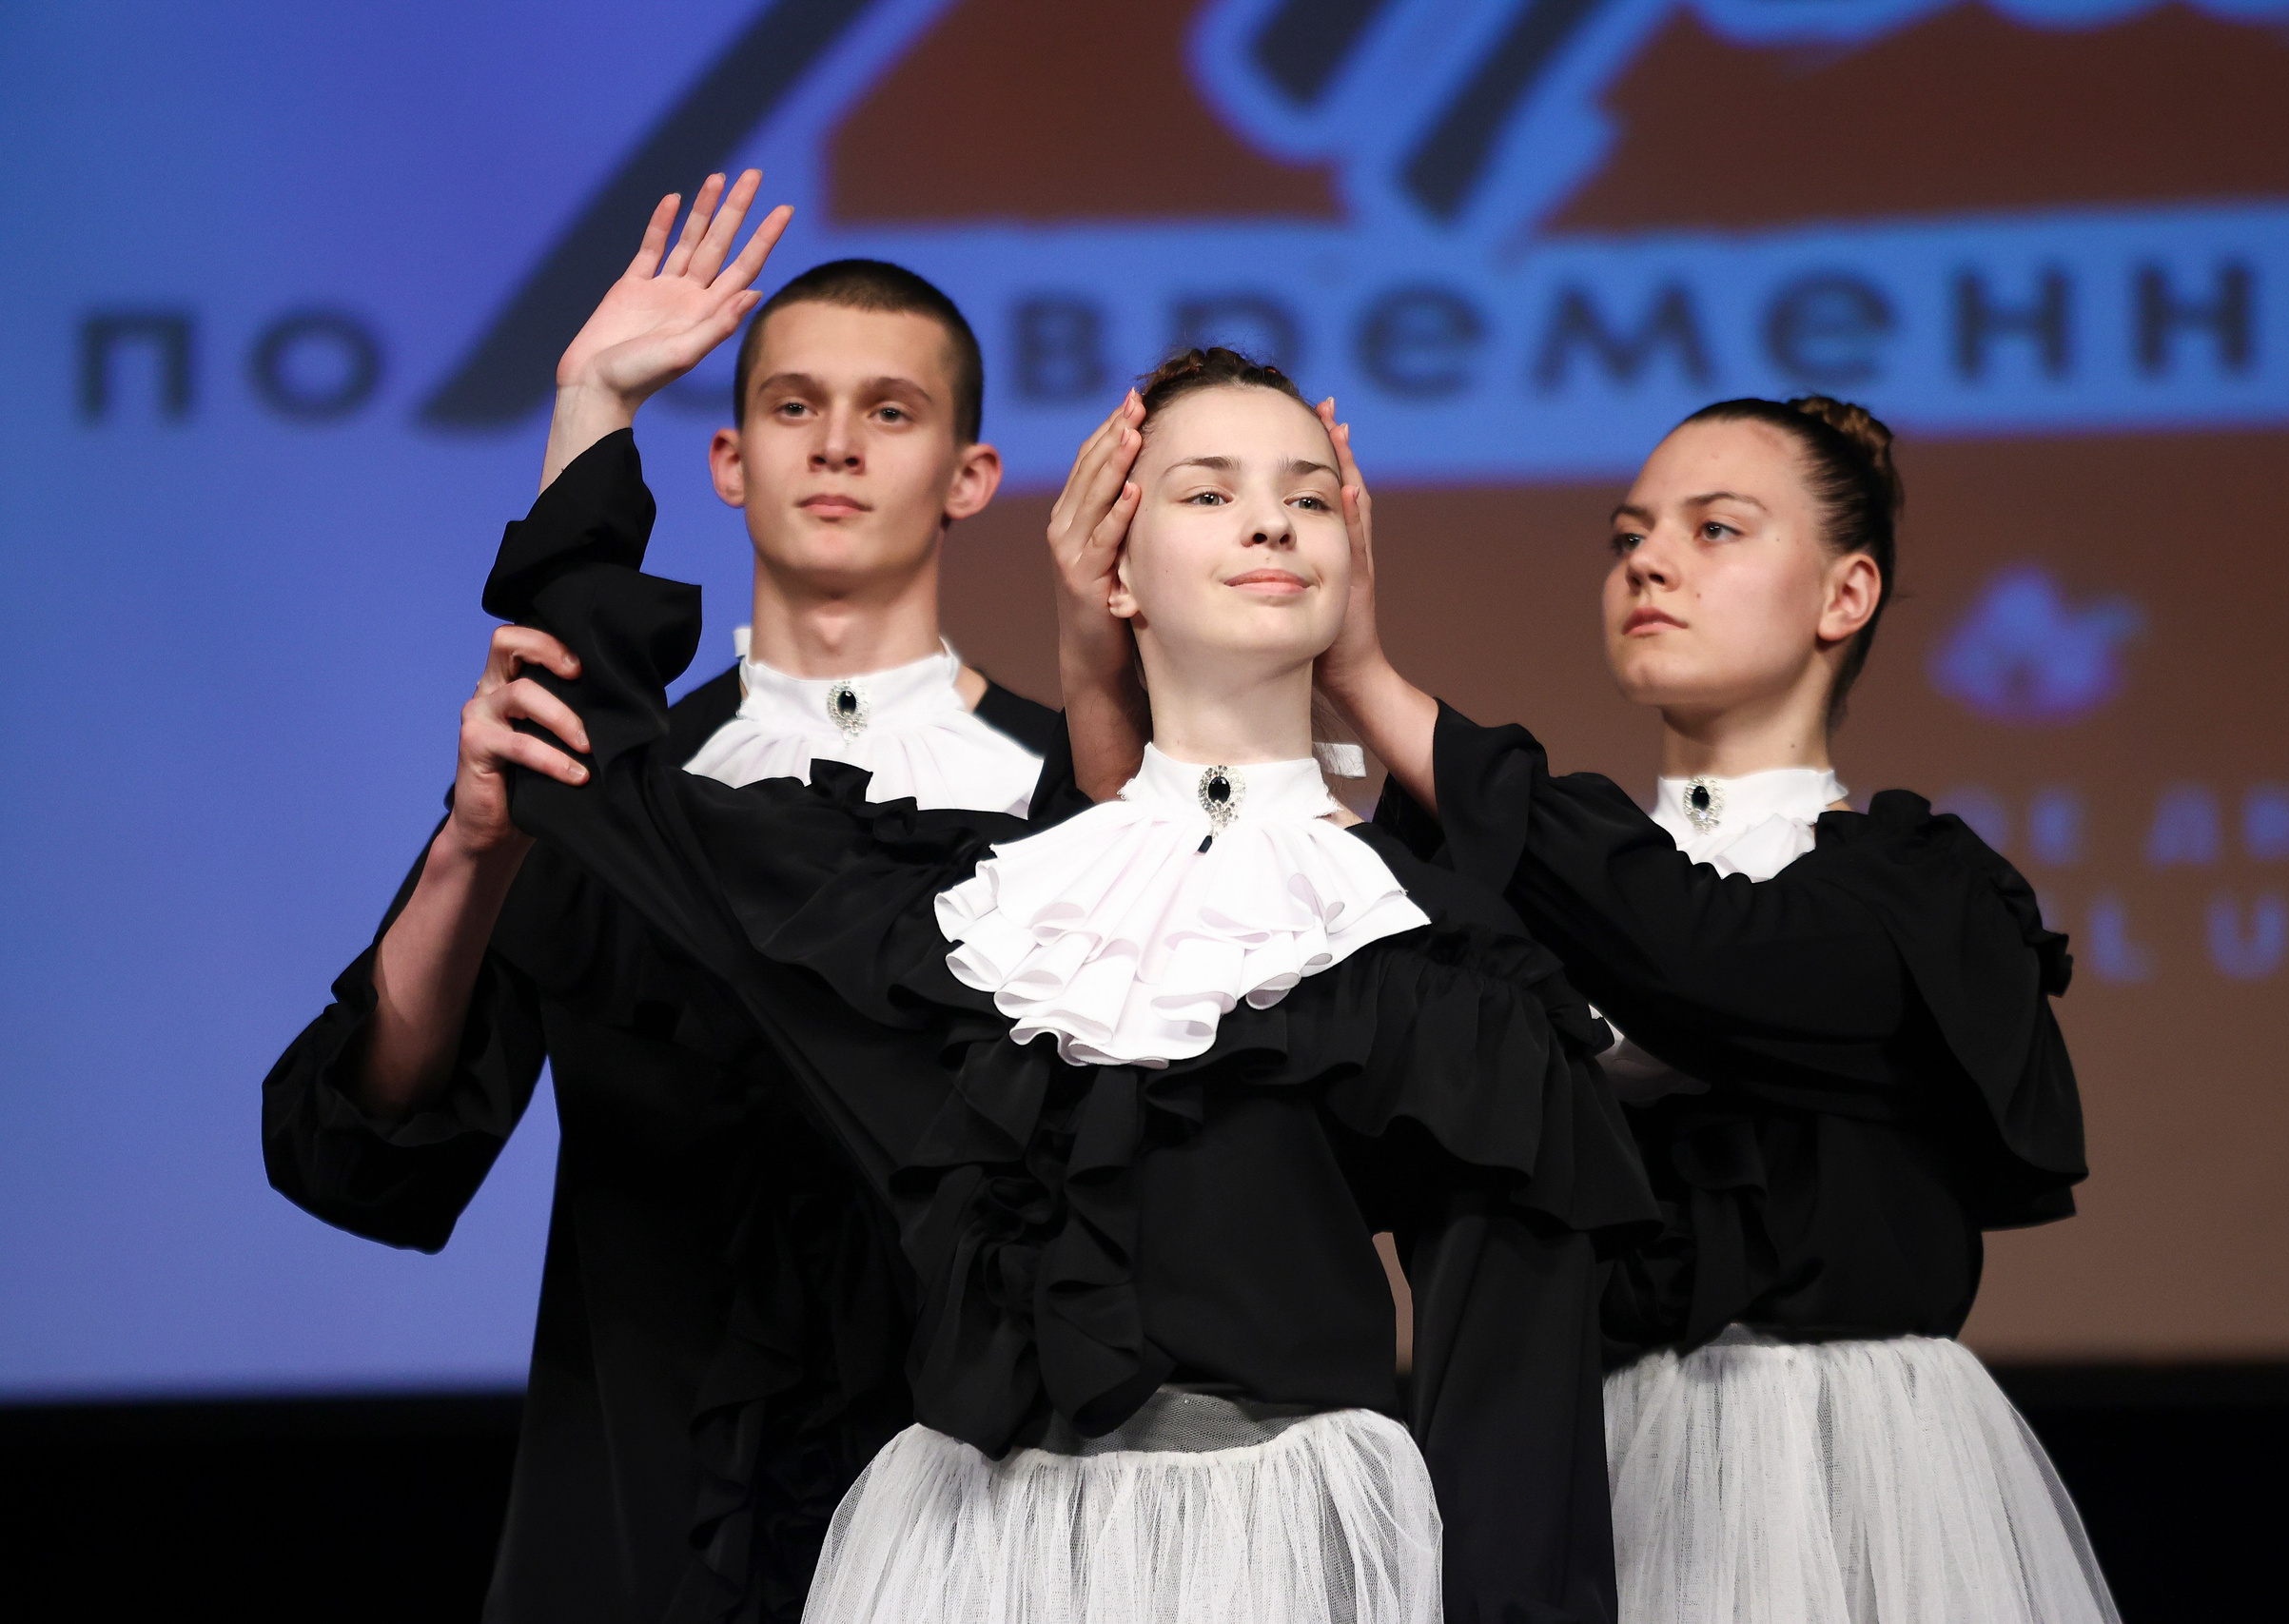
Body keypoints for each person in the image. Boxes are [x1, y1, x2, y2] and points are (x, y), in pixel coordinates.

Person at [489, 346, 1658, 1624]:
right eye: (1207, 492)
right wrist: (593, 401)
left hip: (1279, 1570)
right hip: (964, 1566)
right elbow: (594, 769)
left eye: (1310, 496)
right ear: (1114, 564)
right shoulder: (973, 923)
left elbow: (1516, 1434)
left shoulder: (1430, 953)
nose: (1270, 518)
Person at [1058, 393, 2118, 1622]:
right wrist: (1101, 665)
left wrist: (1366, 675)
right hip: (1594, 1456)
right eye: (1628, 536)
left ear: (1847, 595)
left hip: (1853, 1484)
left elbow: (1707, 958)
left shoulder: (1920, 894)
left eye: (1716, 530)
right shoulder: (1523, 871)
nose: (1650, 561)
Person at [261, 173, 1058, 1623]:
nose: (834, 443)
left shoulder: (1070, 798)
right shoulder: (606, 787)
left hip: (995, 1523)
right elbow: (363, 1151)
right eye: (792, 405)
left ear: (971, 472)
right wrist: (471, 853)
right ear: (728, 463)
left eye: (890, 410)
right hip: (643, 1517)